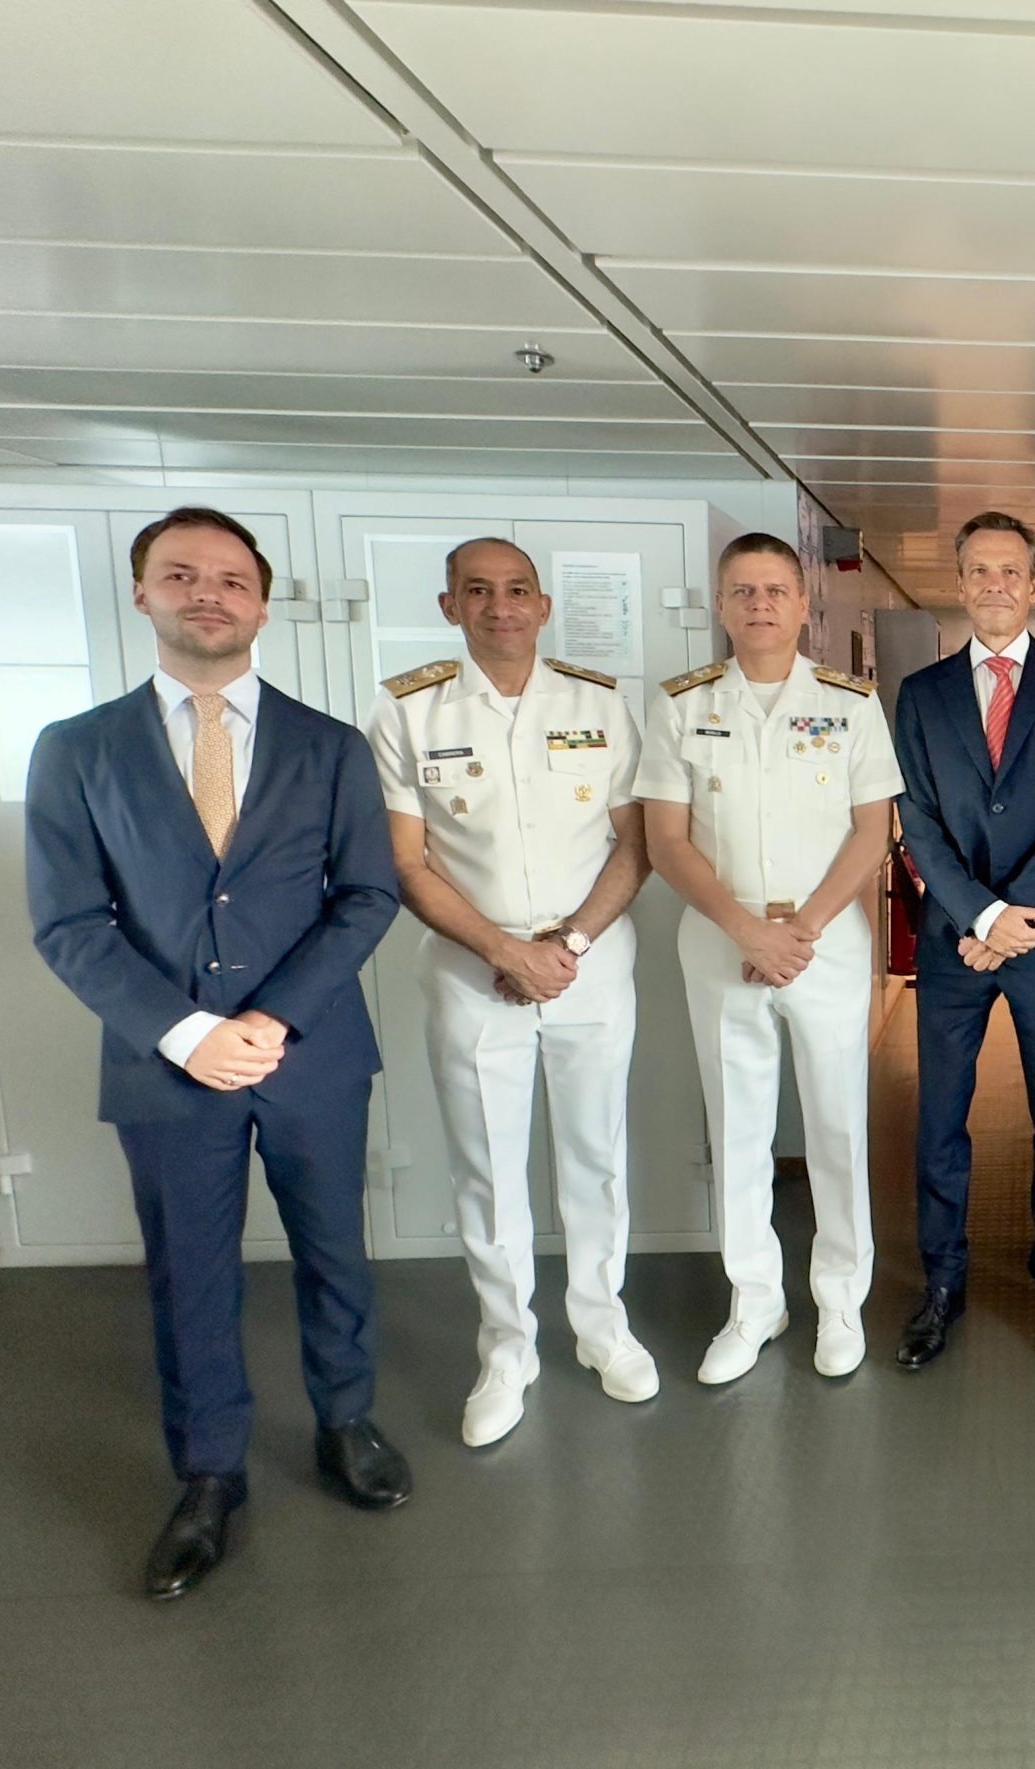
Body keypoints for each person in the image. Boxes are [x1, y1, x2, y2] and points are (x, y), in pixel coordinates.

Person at [24, 507, 406, 1601]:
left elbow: (365, 894)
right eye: (181, 574)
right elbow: (68, 922)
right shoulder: (77, 748)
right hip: (165, 1063)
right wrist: (190, 1032)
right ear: (141, 592)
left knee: (334, 1250)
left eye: (232, 578)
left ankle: (346, 1421)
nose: (208, 592)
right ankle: (208, 1473)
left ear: (262, 604)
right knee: (189, 1271)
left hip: (309, 1052)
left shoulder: (330, 746)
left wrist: (271, 1019)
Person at [366, 538, 657, 1449]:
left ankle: (602, 1327)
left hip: (588, 965)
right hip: (471, 969)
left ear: (543, 605)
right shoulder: (407, 711)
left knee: (595, 1154)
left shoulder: (599, 704)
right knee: (488, 1168)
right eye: (479, 591)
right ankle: (507, 1347)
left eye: (518, 589)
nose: (501, 606)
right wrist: (502, 949)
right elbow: (405, 861)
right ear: (450, 606)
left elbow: (636, 844)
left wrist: (564, 945)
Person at [638, 533, 901, 1384]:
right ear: (721, 604)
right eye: (744, 590)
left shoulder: (851, 704)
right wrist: (748, 932)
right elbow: (666, 840)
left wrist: (800, 931)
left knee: (837, 1126)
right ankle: (754, 1302)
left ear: (802, 605)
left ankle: (840, 1299)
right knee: (738, 1128)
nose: (760, 604)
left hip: (824, 942)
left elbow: (872, 831)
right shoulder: (681, 705)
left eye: (776, 590)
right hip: (722, 941)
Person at [891, 512, 1035, 1368]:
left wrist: (1011, 916)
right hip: (957, 941)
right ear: (959, 583)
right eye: (979, 570)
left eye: (1009, 570)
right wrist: (981, 917)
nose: (994, 584)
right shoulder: (923, 695)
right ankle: (942, 1280)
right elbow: (918, 820)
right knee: (940, 1118)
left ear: (1034, 582)